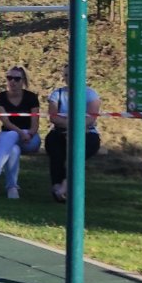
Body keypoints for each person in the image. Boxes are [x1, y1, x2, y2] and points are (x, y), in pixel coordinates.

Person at [45, 65, 101, 203]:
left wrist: (70, 125)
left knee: (78, 153)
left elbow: (91, 119)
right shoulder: (56, 94)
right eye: (66, 75)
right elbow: (53, 117)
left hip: (87, 133)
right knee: (55, 149)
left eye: (72, 74)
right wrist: (73, 124)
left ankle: (66, 184)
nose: (69, 78)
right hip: (59, 132)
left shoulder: (91, 94)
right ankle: (57, 186)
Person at [0, 66, 41, 200]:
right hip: (8, 136)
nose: (12, 81)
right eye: (9, 78)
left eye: (17, 79)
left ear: (23, 80)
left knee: (13, 135)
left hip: (30, 138)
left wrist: (29, 134)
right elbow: (5, 121)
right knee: (13, 148)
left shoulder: (31, 97)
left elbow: (35, 123)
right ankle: (12, 188)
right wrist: (20, 132)